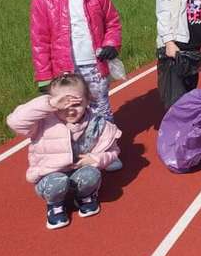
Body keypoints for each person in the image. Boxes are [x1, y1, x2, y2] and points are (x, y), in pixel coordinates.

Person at [30, 0, 123, 171]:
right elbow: (39, 41)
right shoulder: (42, 1)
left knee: (100, 108)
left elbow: (113, 23)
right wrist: (44, 76)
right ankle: (72, 153)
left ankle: (106, 150)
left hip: (95, 66)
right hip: (63, 72)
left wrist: (111, 44)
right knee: (69, 112)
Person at [7, 73, 121, 230]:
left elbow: (113, 150)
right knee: (57, 182)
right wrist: (50, 103)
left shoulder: (98, 124)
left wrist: (97, 159)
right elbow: (15, 122)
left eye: (76, 104)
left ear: (88, 100)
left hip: (79, 173)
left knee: (92, 175)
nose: (70, 111)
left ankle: (84, 196)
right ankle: (55, 205)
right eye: (63, 106)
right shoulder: (42, 123)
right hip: (50, 176)